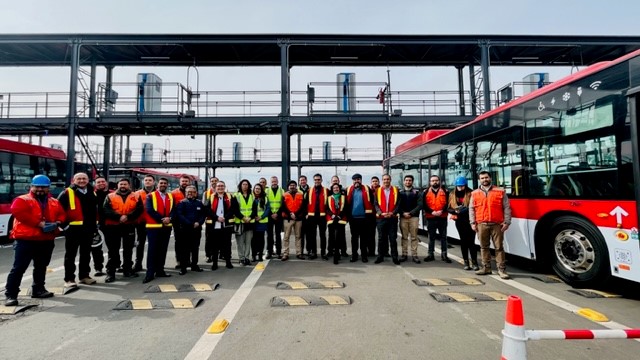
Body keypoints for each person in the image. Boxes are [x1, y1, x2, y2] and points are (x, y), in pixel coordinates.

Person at [4, 175, 65, 307]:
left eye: (43, 187)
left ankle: (38, 289)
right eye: (37, 187)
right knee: (19, 268)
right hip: (26, 240)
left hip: (46, 240)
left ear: (48, 188)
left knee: (41, 266)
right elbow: (19, 213)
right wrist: (40, 224)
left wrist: (58, 221)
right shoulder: (22, 200)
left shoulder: (54, 201)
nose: (40, 189)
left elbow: (61, 214)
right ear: (31, 186)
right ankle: (11, 295)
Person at [469, 171, 512, 279]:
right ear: (480, 180)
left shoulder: (500, 191)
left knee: (499, 247)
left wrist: (507, 222)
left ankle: (501, 270)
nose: (484, 180)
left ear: (490, 178)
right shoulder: (474, 193)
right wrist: (472, 222)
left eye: (486, 177)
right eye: (482, 178)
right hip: (481, 224)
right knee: (484, 247)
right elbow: (471, 209)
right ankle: (486, 268)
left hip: (497, 224)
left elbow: (507, 207)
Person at [58, 172, 98, 287]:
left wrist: (95, 227)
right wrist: (65, 226)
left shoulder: (92, 193)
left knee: (86, 253)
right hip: (73, 229)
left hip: (88, 229)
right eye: (79, 179)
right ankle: (69, 279)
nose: (82, 181)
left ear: (88, 180)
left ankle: (84, 276)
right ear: (73, 180)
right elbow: (59, 210)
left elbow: (94, 212)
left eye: (84, 179)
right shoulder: (66, 193)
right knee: (70, 255)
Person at [103, 178, 143, 283]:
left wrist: (128, 217)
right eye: (121, 184)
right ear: (118, 185)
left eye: (125, 184)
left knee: (128, 249)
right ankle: (110, 273)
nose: (123, 186)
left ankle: (127, 270)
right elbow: (106, 209)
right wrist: (118, 217)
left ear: (129, 185)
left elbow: (139, 209)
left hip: (129, 225)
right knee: (113, 250)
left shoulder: (136, 196)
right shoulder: (110, 196)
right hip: (113, 226)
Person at [143, 177, 175, 283]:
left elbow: (174, 209)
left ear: (167, 185)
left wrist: (169, 218)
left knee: (162, 249)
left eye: (165, 183)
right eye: (161, 183)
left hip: (166, 227)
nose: (163, 185)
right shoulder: (150, 196)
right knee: (153, 250)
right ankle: (150, 273)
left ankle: (160, 270)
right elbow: (149, 210)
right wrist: (162, 219)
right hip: (153, 227)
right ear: (157, 185)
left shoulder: (170, 196)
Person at [448, 176, 478, 271]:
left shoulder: (471, 193)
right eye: (459, 186)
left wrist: (461, 211)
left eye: (462, 186)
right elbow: (448, 208)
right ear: (456, 186)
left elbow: (473, 207)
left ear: (465, 185)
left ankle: (474, 262)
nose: (460, 188)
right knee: (463, 242)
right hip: (460, 221)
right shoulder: (452, 194)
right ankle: (466, 261)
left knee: (471, 242)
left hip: (470, 220)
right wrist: (454, 212)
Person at [175, 185, 207, 275]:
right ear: (185, 193)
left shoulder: (199, 203)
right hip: (185, 229)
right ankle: (183, 267)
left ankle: (194, 265)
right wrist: (190, 223)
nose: (190, 193)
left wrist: (199, 223)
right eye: (188, 192)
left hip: (196, 229)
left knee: (195, 248)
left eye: (192, 192)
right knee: (184, 249)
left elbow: (203, 215)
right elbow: (180, 215)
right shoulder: (181, 203)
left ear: (196, 193)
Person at [346, 173, 374, 263]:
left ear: (361, 180)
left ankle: (364, 255)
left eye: (358, 179)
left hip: (364, 218)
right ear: (352, 181)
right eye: (355, 180)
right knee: (354, 238)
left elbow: (372, 201)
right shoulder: (349, 190)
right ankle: (354, 255)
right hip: (353, 218)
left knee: (364, 238)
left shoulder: (366, 189)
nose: (356, 181)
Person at [206, 181, 234, 270]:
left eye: (222, 186)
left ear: (225, 187)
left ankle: (228, 262)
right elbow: (207, 210)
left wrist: (225, 217)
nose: (220, 188)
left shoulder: (230, 197)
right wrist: (217, 218)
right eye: (218, 186)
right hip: (215, 225)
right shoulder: (211, 197)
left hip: (226, 225)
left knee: (227, 244)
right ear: (215, 187)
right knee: (214, 245)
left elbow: (233, 209)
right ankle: (215, 263)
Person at [423, 175, 451, 263]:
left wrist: (441, 211)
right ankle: (430, 254)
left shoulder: (446, 191)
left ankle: (444, 254)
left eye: (436, 180)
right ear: (430, 182)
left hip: (442, 217)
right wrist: (432, 212)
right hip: (430, 217)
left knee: (443, 237)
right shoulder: (425, 192)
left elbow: (449, 203)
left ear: (439, 181)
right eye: (433, 181)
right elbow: (423, 204)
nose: (435, 182)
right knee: (431, 237)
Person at [374, 174, 400, 265]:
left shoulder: (396, 190)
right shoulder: (377, 191)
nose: (386, 181)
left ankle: (395, 257)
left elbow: (398, 204)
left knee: (393, 238)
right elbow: (376, 204)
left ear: (390, 180)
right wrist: (381, 213)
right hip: (381, 219)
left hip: (392, 218)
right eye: (384, 179)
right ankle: (380, 257)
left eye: (388, 179)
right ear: (382, 180)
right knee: (381, 238)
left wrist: (392, 213)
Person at [398, 175, 422, 263]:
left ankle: (414, 255)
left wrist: (411, 213)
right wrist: (403, 213)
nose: (408, 182)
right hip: (403, 217)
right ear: (404, 182)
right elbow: (397, 205)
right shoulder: (400, 193)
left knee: (414, 237)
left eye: (410, 180)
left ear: (412, 182)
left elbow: (420, 205)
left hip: (414, 217)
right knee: (404, 237)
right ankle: (404, 254)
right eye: (406, 180)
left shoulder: (417, 192)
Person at [134, 174, 155, 272]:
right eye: (146, 180)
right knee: (140, 244)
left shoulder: (158, 193)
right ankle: (138, 264)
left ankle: (153, 264)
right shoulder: (137, 194)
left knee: (154, 245)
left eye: (150, 180)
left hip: (154, 223)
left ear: (154, 182)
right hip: (141, 223)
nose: (147, 182)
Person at [280, 180, 306, 261]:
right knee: (286, 237)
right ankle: (285, 253)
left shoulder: (301, 195)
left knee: (298, 236)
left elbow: (303, 206)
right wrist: (291, 214)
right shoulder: (284, 195)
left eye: (294, 185)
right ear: (288, 187)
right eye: (291, 185)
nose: (292, 186)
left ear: (296, 186)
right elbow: (283, 206)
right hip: (288, 219)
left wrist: (296, 215)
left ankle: (299, 253)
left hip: (298, 218)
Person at [305, 173, 329, 260]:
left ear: (321, 180)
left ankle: (323, 253)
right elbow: (305, 203)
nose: (317, 181)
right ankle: (313, 252)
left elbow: (329, 204)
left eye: (318, 179)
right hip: (312, 216)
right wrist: (306, 214)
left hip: (322, 216)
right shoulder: (309, 191)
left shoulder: (326, 190)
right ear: (313, 180)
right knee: (312, 235)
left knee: (323, 235)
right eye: (315, 180)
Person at [232, 179, 254, 266]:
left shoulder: (252, 196)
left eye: (246, 184)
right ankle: (241, 258)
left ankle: (247, 258)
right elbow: (235, 209)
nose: (245, 186)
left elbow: (254, 209)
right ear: (240, 186)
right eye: (243, 184)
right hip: (239, 222)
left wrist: (250, 218)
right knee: (240, 242)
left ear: (249, 186)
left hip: (250, 222)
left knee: (248, 241)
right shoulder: (236, 195)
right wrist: (243, 218)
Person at [171, 175, 191, 269]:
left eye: (186, 181)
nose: (184, 183)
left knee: (188, 241)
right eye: (183, 181)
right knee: (179, 242)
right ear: (180, 182)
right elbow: (172, 208)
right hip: (178, 221)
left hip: (189, 221)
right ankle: (179, 261)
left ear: (189, 182)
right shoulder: (173, 193)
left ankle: (187, 260)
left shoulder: (192, 192)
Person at [326, 183, 347, 265]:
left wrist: (339, 216)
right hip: (331, 219)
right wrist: (332, 215)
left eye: (337, 188)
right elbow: (327, 208)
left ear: (339, 188)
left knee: (339, 236)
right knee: (331, 236)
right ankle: (332, 251)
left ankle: (338, 253)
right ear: (332, 189)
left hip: (341, 219)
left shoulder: (344, 197)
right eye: (334, 188)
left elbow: (345, 208)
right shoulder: (328, 198)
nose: (336, 189)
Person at [92, 176, 109, 276]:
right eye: (98, 182)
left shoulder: (112, 194)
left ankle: (115, 265)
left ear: (106, 183)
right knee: (96, 248)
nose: (101, 183)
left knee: (113, 247)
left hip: (110, 224)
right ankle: (98, 268)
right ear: (95, 184)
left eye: (103, 181)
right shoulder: (91, 194)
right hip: (96, 225)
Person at [265, 176, 284, 259]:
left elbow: (283, 204)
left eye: (275, 181)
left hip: (278, 216)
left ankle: (279, 252)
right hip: (269, 216)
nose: (274, 183)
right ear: (270, 182)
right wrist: (271, 214)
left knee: (278, 235)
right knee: (269, 235)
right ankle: (269, 251)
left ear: (278, 181)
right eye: (272, 181)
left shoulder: (281, 190)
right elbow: (265, 205)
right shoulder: (266, 191)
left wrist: (277, 214)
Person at [251, 183, 271, 262]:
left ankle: (260, 255)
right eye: (256, 188)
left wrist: (261, 217)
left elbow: (268, 209)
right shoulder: (251, 197)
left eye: (259, 189)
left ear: (261, 190)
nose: (257, 190)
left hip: (262, 221)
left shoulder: (265, 198)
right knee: (253, 239)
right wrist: (254, 217)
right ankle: (253, 255)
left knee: (261, 239)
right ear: (254, 189)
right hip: (253, 221)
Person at [202, 176, 219, 263]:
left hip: (220, 220)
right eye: (212, 181)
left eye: (216, 181)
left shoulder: (222, 192)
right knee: (209, 239)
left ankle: (218, 254)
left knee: (220, 238)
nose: (214, 182)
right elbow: (204, 207)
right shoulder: (206, 193)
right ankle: (208, 255)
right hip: (210, 220)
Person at [298, 175, 310, 254]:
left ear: (306, 181)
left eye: (304, 180)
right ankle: (301, 250)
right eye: (301, 180)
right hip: (300, 216)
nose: (302, 181)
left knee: (309, 234)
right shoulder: (297, 191)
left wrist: (309, 213)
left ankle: (309, 250)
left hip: (309, 215)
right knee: (300, 235)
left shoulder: (311, 190)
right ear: (299, 182)